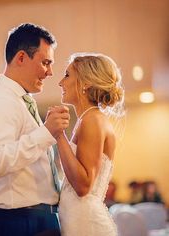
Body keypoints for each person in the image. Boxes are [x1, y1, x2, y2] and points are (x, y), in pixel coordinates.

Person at [0, 23, 69, 236]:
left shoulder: (21, 100)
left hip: (36, 219)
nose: (50, 72)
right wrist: (45, 133)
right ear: (22, 58)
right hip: (20, 222)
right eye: (45, 63)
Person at [54, 52, 125, 235]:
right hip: (78, 221)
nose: (60, 82)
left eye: (67, 75)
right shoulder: (87, 119)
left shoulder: (92, 120)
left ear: (85, 83)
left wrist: (59, 135)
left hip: (86, 225)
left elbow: (83, 185)